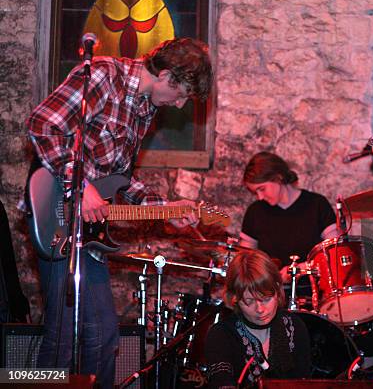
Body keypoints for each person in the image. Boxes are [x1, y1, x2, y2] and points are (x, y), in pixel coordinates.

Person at [25, 37, 213, 388]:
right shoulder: (102, 75)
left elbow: (119, 179)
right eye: (182, 94)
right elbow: (42, 124)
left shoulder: (143, 109)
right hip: (58, 217)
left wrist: (164, 209)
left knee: (103, 336)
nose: (180, 104)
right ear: (166, 75)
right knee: (63, 338)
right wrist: (79, 187)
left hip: (88, 230)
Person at [203, 249, 311, 388]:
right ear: (234, 298)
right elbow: (221, 382)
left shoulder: (295, 326)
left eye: (266, 299)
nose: (260, 309)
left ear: (277, 290)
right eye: (249, 301)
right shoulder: (221, 335)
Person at [239, 152, 338, 281]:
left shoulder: (317, 204)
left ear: (278, 178)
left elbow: (335, 251)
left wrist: (301, 269)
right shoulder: (255, 212)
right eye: (255, 192)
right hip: (272, 294)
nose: (260, 197)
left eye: (262, 189)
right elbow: (245, 258)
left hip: (314, 290)